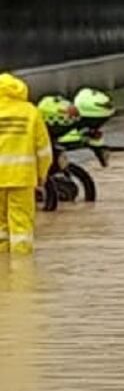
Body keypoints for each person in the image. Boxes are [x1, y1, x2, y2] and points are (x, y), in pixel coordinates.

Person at [0, 73, 53, 256]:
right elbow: (44, 149)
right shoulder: (31, 112)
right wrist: (42, 174)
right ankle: (21, 266)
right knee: (21, 224)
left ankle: (3, 266)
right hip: (22, 178)